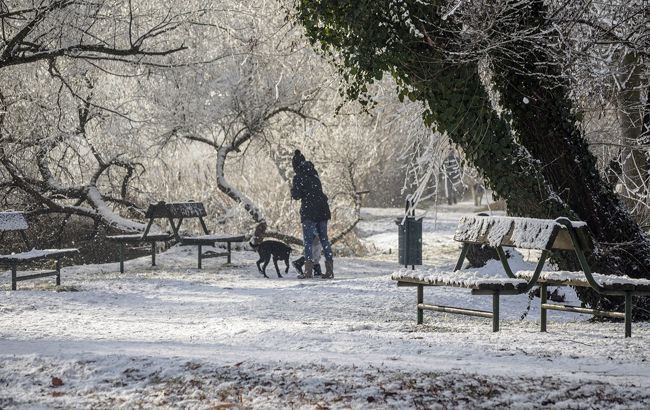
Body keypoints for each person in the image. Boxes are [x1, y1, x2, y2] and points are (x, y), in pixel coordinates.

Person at [291, 149, 334, 279]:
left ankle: (308, 271)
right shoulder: (314, 174)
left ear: (295, 166)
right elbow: (316, 191)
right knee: (324, 240)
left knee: (308, 242)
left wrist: (293, 189)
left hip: (309, 211)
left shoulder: (298, 176)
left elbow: (297, 195)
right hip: (322, 209)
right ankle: (330, 271)